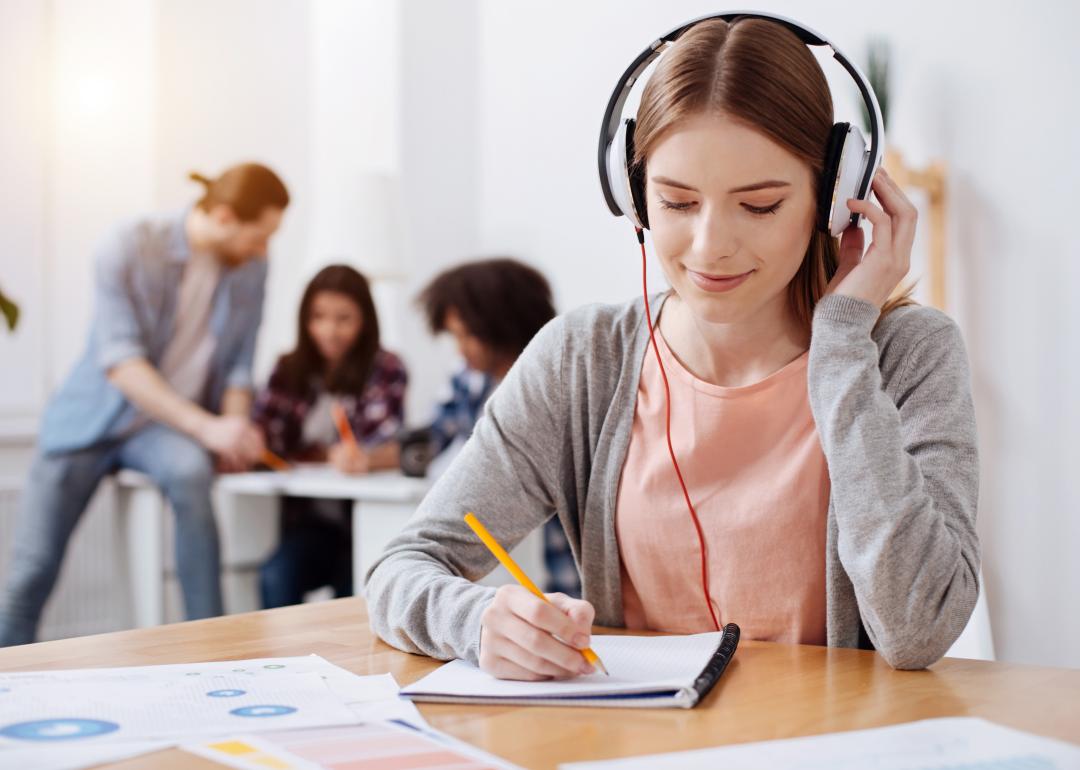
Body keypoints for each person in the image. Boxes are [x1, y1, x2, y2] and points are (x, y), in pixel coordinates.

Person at [366, 15, 980, 679]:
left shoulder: (908, 355)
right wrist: (480, 622)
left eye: (760, 205)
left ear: (834, 197)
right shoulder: (582, 361)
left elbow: (918, 630)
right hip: (634, 733)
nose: (711, 246)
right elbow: (400, 569)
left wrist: (842, 345)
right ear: (635, 198)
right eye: (678, 203)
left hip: (828, 734)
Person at [0, 163, 289, 646]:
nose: (263, 250)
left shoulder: (251, 268)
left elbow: (240, 365)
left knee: (191, 473)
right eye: (258, 237)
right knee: (31, 570)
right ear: (223, 216)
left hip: (162, 431)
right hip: (88, 422)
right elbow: (122, 362)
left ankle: (215, 647)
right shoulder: (129, 245)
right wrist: (209, 428)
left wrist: (235, 427)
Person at [417, 258, 581, 598]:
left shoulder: (560, 383)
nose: (460, 349)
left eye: (467, 335)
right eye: (455, 336)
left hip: (564, 575)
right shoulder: (467, 379)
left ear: (500, 326)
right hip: (494, 568)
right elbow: (433, 434)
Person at [254, 265, 407, 608]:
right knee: (276, 575)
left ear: (365, 320)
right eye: (318, 317)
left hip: (363, 521)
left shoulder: (387, 368)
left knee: (353, 588)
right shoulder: (288, 369)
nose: (329, 331)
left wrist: (366, 458)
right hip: (309, 523)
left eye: (344, 319)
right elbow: (266, 435)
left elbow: (389, 442)